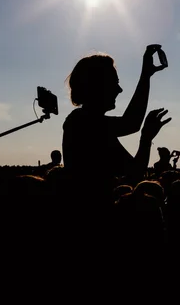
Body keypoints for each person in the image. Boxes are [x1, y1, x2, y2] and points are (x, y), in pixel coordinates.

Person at [62, 44, 172, 204]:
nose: (119, 89)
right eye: (114, 82)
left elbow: (131, 124)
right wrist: (146, 139)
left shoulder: (81, 120)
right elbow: (135, 172)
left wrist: (146, 76)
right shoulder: (85, 123)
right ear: (97, 86)